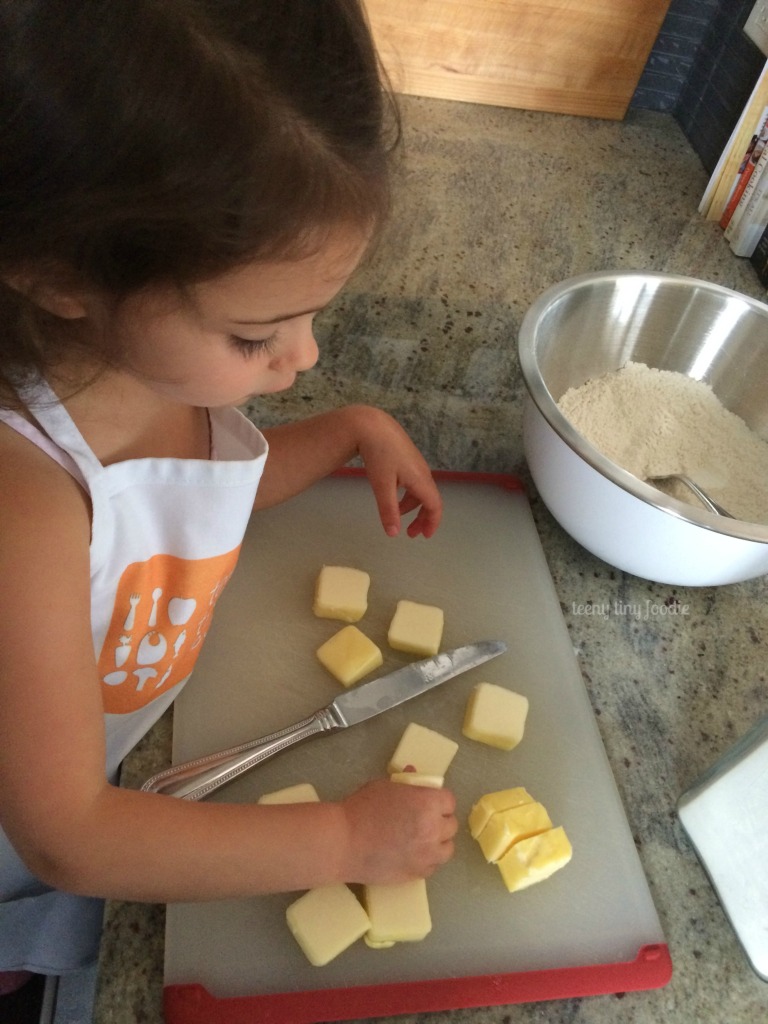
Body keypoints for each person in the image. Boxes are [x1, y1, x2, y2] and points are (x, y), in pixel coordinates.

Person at [0, 0, 457, 986]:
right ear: (60, 274)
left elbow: (188, 506)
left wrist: (344, 432)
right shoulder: (23, 503)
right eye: (259, 336)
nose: (305, 357)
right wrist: (339, 842)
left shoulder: (150, 375)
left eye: (314, 317)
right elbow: (67, 834)